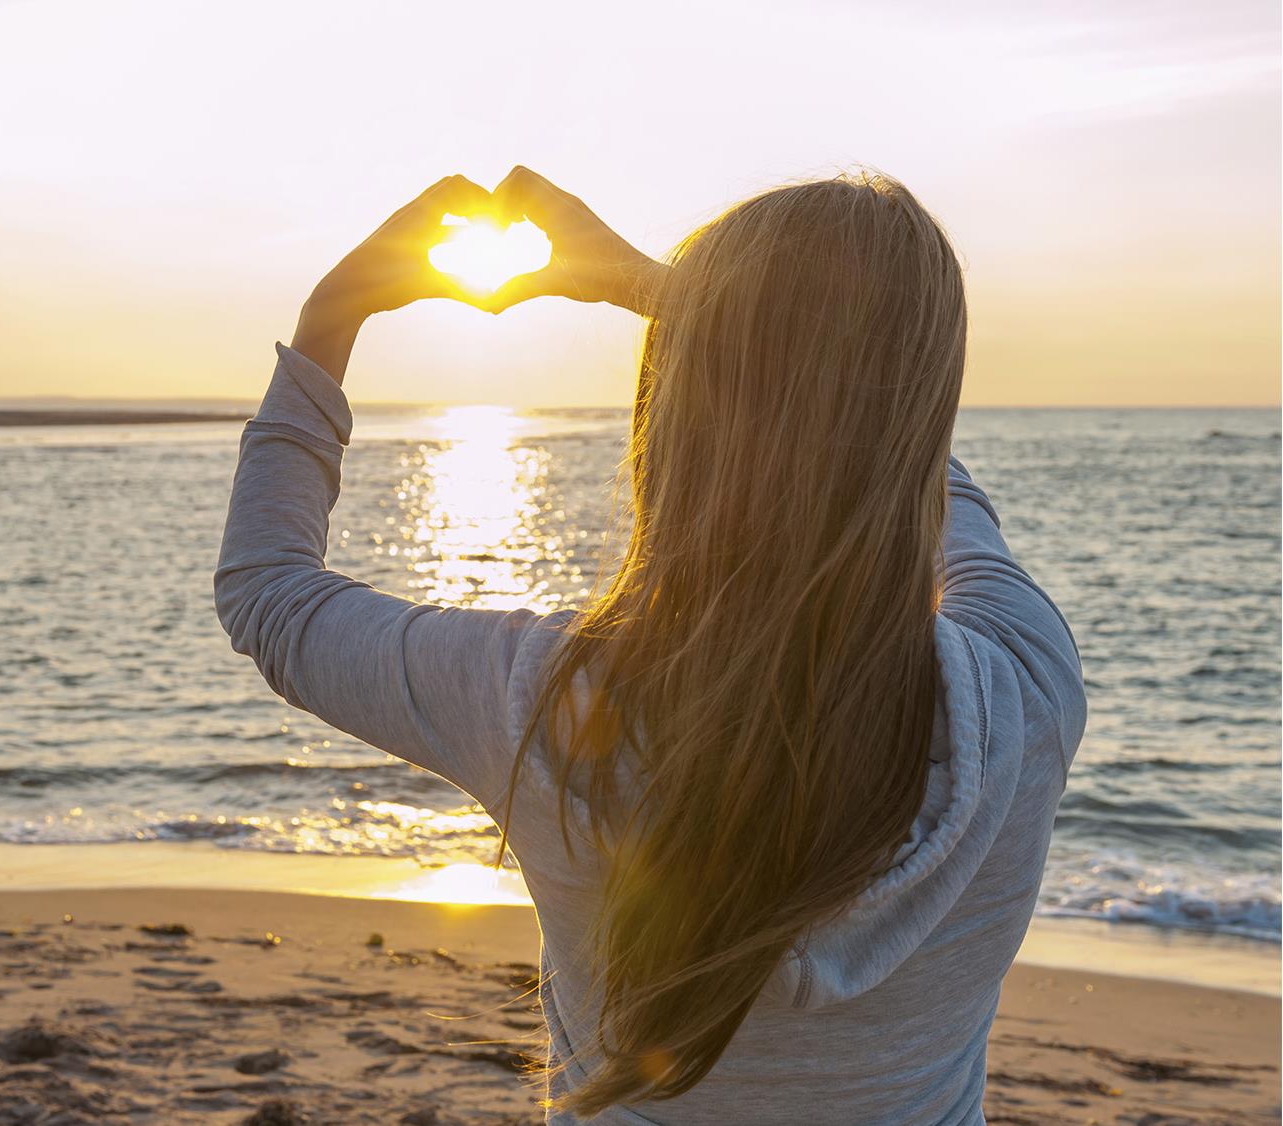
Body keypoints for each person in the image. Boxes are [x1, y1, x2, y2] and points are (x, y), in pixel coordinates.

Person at [214, 167, 1088, 1124]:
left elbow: (271, 595)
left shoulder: (543, 704)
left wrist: (335, 311)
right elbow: (902, 463)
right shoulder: (1024, 688)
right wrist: (678, 298)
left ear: (672, 422)